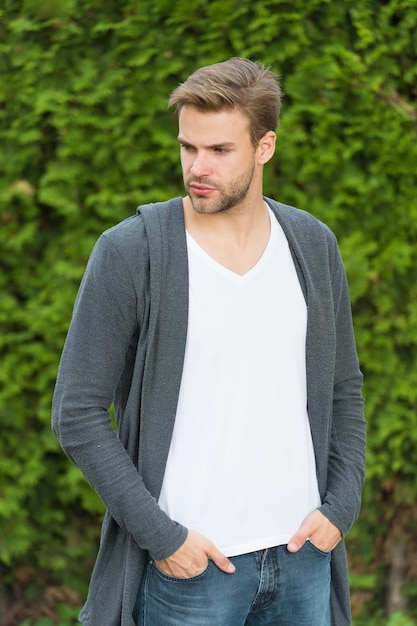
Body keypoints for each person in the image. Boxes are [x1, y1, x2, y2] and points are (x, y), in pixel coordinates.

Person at [52, 57, 366, 626]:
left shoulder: (312, 246)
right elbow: (75, 412)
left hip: (303, 559)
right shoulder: (133, 252)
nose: (197, 167)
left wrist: (341, 508)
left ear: (264, 147)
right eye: (187, 147)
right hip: (192, 571)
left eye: (219, 150)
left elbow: (344, 388)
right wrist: (163, 538)